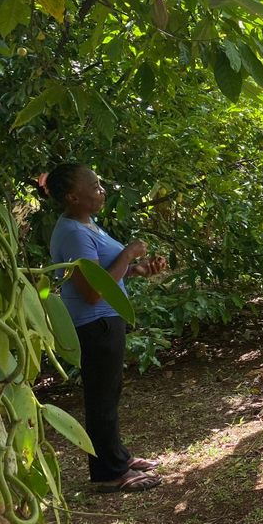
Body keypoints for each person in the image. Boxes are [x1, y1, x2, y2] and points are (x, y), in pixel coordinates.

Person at [45, 164, 165, 492]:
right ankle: (110, 472)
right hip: (94, 324)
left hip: (106, 322)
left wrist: (139, 269)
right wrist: (128, 253)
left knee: (110, 394)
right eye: (95, 186)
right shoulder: (73, 233)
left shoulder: (88, 225)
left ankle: (119, 458)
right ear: (73, 196)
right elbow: (93, 291)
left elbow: (107, 274)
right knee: (101, 398)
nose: (102, 190)